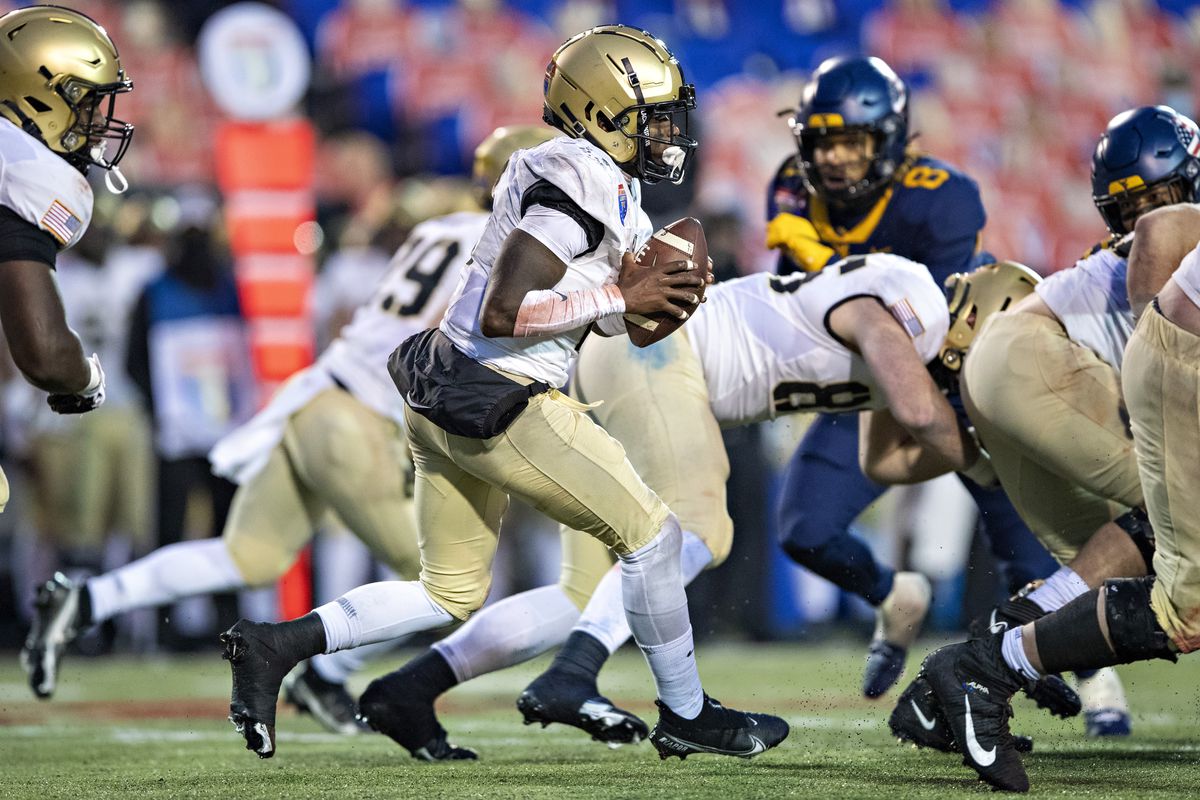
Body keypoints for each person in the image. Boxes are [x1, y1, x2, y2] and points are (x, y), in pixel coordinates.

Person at [219, 24, 789, 762]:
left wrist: (656, 305)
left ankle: (275, 645)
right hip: (503, 395)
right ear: (602, 113)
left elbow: (610, 323)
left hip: (447, 390)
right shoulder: (579, 177)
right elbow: (505, 309)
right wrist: (624, 291)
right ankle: (685, 712)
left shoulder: (605, 187)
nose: (668, 132)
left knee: (446, 593)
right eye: (652, 115)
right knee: (654, 536)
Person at [353, 252, 1007, 759]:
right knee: (697, 527)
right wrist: (989, 461)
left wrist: (964, 448)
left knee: (586, 592)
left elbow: (886, 461)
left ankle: (410, 689)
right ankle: (582, 677)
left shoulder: (907, 335)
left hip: (639, 363)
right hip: (660, 351)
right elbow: (923, 414)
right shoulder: (906, 302)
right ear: (978, 317)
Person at [17, 125, 555, 716]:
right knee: (446, 583)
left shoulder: (437, 230)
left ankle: (87, 599)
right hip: (360, 419)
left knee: (247, 555)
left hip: (317, 401)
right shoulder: (504, 247)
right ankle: (323, 676)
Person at [888, 106, 1200, 754]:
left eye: (1156, 197)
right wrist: (1158, 352)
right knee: (1170, 523)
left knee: (1113, 570)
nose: (1146, 216)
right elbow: (1165, 233)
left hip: (1013, 378)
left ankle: (962, 677)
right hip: (1038, 361)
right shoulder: (1175, 231)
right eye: (1132, 207)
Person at [765, 54, 1057, 698]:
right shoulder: (793, 183)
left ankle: (1090, 677)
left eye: (852, 140)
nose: (835, 158)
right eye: (825, 141)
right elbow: (802, 304)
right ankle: (898, 596)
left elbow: (930, 322)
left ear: (889, 138)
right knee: (805, 529)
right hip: (867, 381)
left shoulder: (941, 196)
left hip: (957, 379)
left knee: (1029, 556)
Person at [0, 5, 137, 696]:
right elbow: (46, 355)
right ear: (36, 92)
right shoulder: (23, 167)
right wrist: (84, 377)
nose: (96, 120)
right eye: (85, 101)